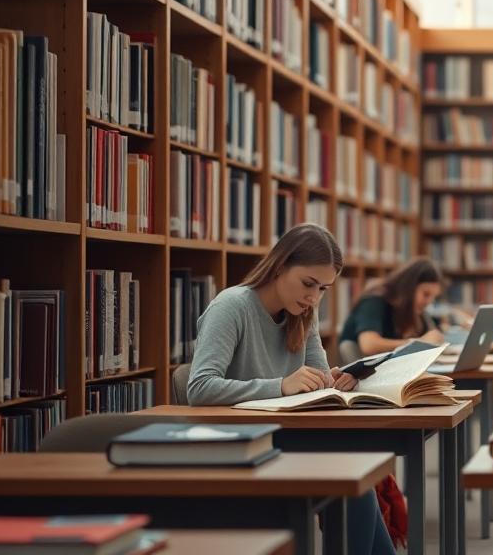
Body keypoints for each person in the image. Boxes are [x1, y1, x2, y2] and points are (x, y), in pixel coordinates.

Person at [187, 223, 399, 555]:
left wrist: (335, 380)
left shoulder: (303, 313)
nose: (314, 297)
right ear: (279, 266)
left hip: (289, 434)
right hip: (242, 442)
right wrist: (282, 385)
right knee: (353, 474)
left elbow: (318, 377)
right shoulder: (232, 306)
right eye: (308, 283)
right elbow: (199, 388)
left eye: (323, 289)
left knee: (357, 472)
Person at [339, 257, 448, 356]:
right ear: (408, 287)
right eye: (426, 294)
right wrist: (419, 343)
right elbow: (369, 345)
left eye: (434, 297)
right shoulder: (374, 301)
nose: (429, 302)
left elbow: (430, 336)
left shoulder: (413, 310)